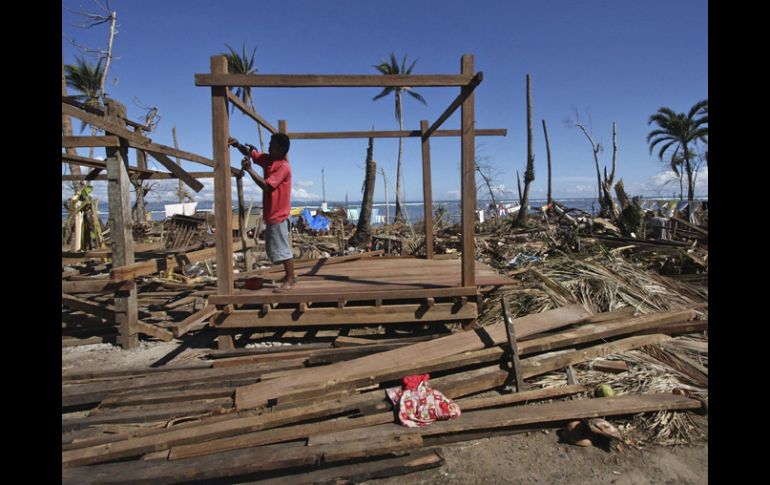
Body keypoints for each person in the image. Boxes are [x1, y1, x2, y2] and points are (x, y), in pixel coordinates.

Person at [228, 133, 295, 292]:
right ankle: (287, 276)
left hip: (279, 214)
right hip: (272, 214)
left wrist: (250, 170)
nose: (269, 147)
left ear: (281, 149)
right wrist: (237, 145)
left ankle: (291, 279)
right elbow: (252, 153)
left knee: (283, 249)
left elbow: (268, 186)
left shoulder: (283, 167)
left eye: (272, 145)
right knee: (277, 248)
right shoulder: (268, 159)